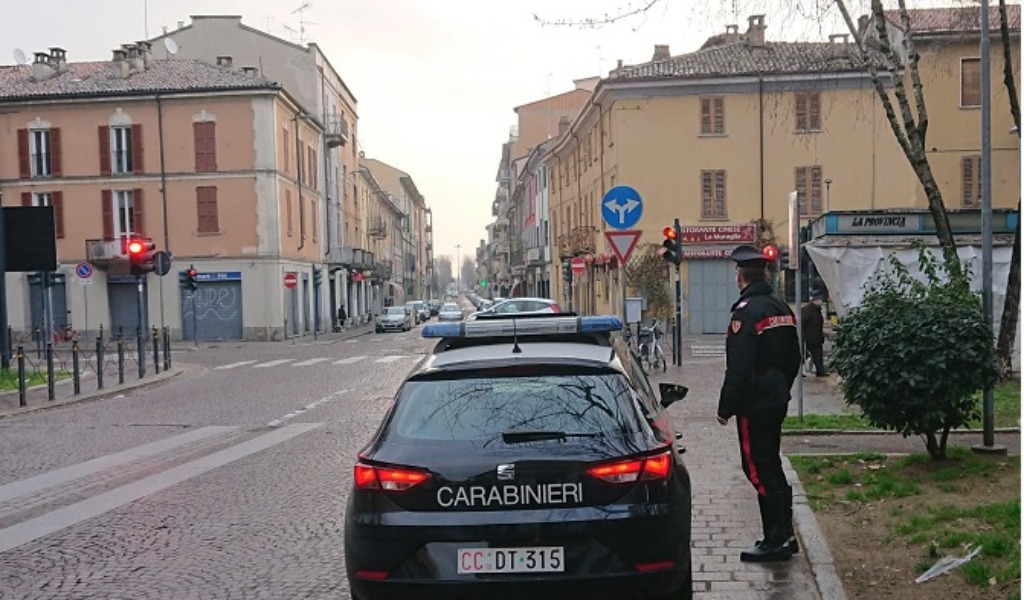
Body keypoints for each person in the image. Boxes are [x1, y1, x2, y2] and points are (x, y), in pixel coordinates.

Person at [716, 245, 801, 562]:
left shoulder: (746, 313)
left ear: (740, 277)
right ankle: (786, 535)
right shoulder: (781, 308)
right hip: (776, 396)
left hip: (754, 401)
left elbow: (738, 366)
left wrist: (726, 407)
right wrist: (782, 387)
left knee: (757, 468)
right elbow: (794, 358)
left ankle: (774, 540)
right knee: (772, 465)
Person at [801, 292, 828, 377]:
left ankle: (820, 371)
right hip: (810, 337)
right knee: (811, 355)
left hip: (815, 337)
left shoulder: (816, 309)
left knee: (816, 355)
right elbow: (802, 322)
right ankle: (819, 371)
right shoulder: (809, 310)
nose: (821, 301)